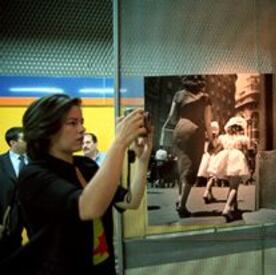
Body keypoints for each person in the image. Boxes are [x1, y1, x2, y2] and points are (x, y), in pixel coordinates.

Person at [0, 94, 152, 274]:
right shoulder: (34, 174)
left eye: (81, 121)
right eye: (72, 123)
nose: (82, 129)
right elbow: (88, 208)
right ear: (47, 129)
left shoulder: (85, 165)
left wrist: (143, 160)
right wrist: (119, 142)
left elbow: (130, 201)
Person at [160, 75, 213, 218]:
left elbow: (171, 117)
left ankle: (179, 198)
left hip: (180, 129)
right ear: (201, 83)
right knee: (191, 167)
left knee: (181, 165)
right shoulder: (205, 98)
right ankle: (182, 205)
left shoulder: (178, 95)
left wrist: (182, 120)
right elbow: (208, 123)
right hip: (195, 132)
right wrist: (212, 140)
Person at [207, 116, 250, 222]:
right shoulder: (242, 138)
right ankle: (227, 208)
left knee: (231, 186)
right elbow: (246, 151)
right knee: (234, 187)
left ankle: (234, 207)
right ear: (240, 128)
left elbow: (217, 149)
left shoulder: (223, 138)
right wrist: (249, 163)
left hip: (226, 159)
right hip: (237, 159)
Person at [0, 127, 27, 261]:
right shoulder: (1, 162)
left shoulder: (36, 161)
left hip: (32, 210)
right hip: (9, 213)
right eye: (24, 139)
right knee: (9, 247)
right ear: (12, 143)